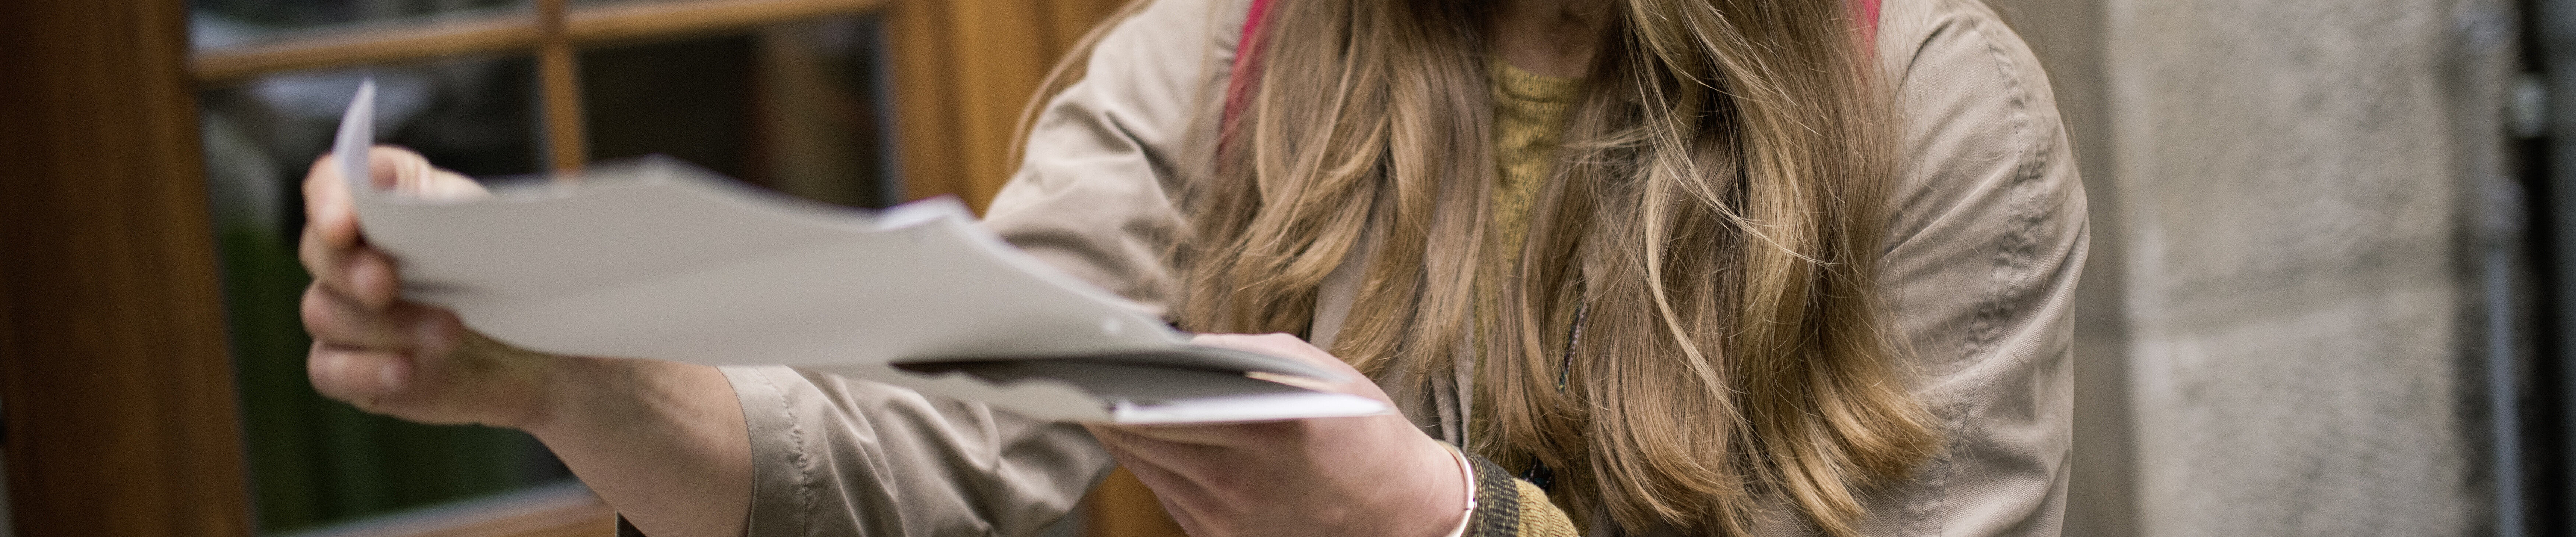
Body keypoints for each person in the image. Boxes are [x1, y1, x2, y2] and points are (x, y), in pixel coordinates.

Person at [297, 0, 2084, 534]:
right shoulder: (1224, 53)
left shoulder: (1935, 111)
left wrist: (1441, 524)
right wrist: (576, 377)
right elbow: (912, 448)